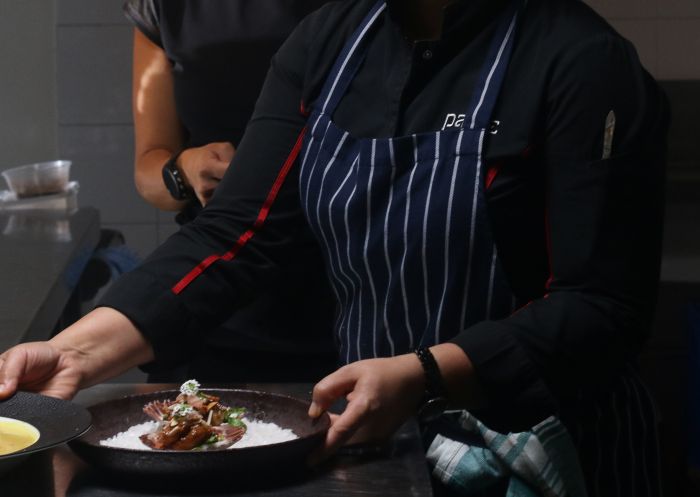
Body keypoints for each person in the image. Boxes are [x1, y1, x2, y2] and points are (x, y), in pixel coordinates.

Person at [0, 0, 669, 494]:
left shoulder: (580, 58)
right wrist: (75, 351)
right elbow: (237, 233)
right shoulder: (330, 42)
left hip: (550, 445)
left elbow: (602, 305)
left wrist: (427, 374)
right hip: (389, 447)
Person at [123, 0, 338, 382]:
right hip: (221, 293)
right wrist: (184, 169)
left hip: (351, 297)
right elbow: (148, 172)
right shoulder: (165, 10)